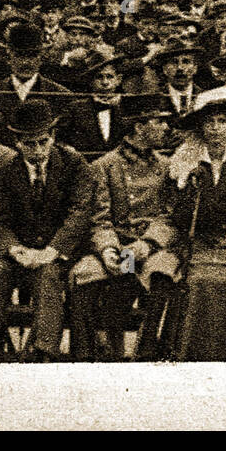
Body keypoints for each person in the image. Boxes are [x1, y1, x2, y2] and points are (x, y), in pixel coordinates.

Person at [0, 100, 96, 362]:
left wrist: (52, 251)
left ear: (53, 136)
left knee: (49, 276)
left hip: (57, 252)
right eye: (29, 144)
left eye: (43, 142)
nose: (37, 150)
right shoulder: (7, 171)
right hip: (20, 252)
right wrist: (15, 249)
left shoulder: (74, 164)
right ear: (17, 142)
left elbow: (80, 212)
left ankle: (43, 351)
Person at [68, 95, 175, 361]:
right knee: (85, 276)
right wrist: (108, 249)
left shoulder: (168, 167)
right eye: (158, 123)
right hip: (117, 246)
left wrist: (147, 244)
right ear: (139, 127)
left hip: (152, 247)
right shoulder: (104, 166)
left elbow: (170, 216)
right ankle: (87, 354)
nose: (166, 129)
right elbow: (99, 217)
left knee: (161, 276)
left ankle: (147, 351)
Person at [165, 88, 226, 361]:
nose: (216, 129)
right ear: (201, 126)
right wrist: (190, 191)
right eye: (210, 122)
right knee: (198, 281)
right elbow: (178, 214)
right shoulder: (186, 161)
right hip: (199, 243)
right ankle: (193, 353)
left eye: (222, 122)